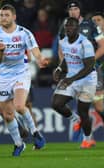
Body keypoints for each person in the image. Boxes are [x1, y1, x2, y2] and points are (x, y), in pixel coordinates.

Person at [0, 4, 49, 156]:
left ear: (14, 17)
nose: (3, 18)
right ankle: (18, 144)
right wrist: (1, 52)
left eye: (6, 15)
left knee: (20, 105)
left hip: (21, 73)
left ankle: (35, 132)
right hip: (4, 77)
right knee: (7, 115)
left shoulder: (24, 33)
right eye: (1, 15)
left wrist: (40, 59)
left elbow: (34, 49)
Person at [58, 0, 104, 143]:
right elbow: (61, 50)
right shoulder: (64, 28)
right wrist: (63, 67)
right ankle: (89, 139)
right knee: (82, 106)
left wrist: (89, 61)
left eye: (76, 9)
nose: (73, 12)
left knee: (98, 105)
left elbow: (102, 46)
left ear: (80, 11)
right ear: (68, 12)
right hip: (74, 73)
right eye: (71, 10)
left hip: (91, 71)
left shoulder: (90, 25)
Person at [52, 17, 97, 149]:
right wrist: (60, 69)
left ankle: (88, 139)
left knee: (83, 111)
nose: (69, 28)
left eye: (72, 26)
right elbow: (67, 58)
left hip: (87, 80)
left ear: (78, 28)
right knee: (56, 104)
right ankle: (75, 120)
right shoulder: (64, 42)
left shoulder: (85, 43)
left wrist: (71, 79)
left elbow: (89, 66)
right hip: (71, 78)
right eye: (67, 26)